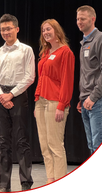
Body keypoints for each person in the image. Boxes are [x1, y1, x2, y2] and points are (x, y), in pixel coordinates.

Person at [0, 14, 35, 192]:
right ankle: (3, 184)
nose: (6, 32)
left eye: (9, 28)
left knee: (22, 141)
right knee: (3, 143)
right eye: (3, 29)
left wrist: (11, 94)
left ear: (17, 29)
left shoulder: (26, 50)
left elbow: (30, 77)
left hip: (19, 94)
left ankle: (25, 183)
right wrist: (2, 96)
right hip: (1, 96)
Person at [34, 19, 75, 184]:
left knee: (55, 145)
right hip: (41, 102)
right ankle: (50, 180)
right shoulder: (46, 53)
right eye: (43, 30)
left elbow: (67, 81)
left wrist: (62, 104)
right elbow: (42, 78)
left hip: (55, 103)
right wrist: (37, 99)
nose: (45, 33)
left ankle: (59, 179)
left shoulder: (66, 52)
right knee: (44, 145)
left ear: (57, 31)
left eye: (48, 29)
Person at [76, 5, 102, 154]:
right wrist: (83, 97)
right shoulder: (84, 42)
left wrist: (92, 97)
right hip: (87, 100)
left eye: (83, 19)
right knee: (92, 146)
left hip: (98, 100)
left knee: (98, 145)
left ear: (93, 19)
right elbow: (87, 73)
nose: (79, 22)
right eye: (78, 19)